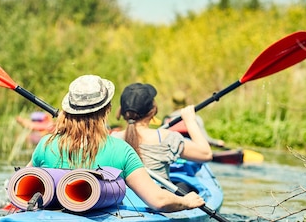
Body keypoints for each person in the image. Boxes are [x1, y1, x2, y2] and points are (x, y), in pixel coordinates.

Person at [28, 75, 205, 212]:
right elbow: (158, 201)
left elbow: (23, 182)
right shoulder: (120, 150)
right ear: (107, 110)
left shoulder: (46, 144)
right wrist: (186, 201)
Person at [112, 83, 213, 182]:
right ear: (153, 110)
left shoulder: (113, 139)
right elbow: (206, 154)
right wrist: (190, 121)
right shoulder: (166, 138)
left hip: (126, 197)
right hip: (160, 196)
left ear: (121, 111)